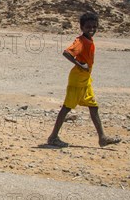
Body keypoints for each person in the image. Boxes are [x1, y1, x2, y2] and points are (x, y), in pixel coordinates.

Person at [46, 12, 121, 148]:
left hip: (85, 80)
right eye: (88, 27)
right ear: (82, 27)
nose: (91, 29)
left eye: (94, 27)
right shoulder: (80, 41)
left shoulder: (89, 40)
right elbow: (66, 53)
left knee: (93, 107)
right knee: (66, 108)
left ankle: (102, 138)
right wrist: (80, 64)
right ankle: (53, 137)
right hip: (77, 80)